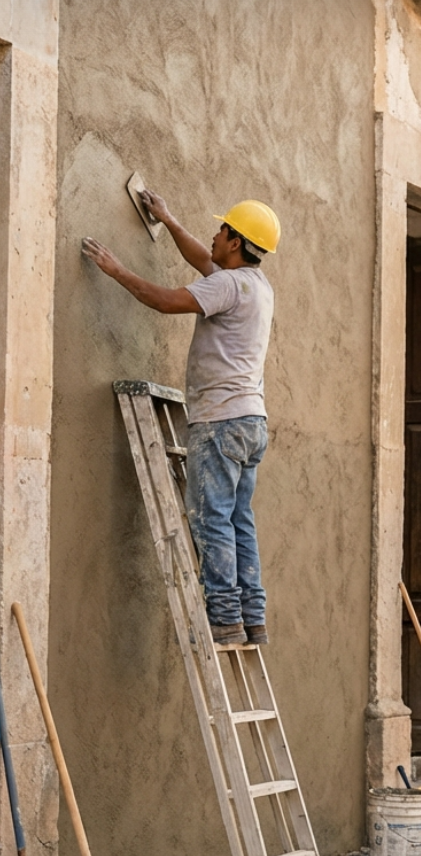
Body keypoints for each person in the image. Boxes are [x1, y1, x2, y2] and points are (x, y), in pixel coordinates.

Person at [82, 193, 281, 647]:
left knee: (211, 519)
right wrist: (169, 219)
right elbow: (201, 258)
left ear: (234, 241)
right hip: (251, 422)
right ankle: (252, 617)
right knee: (238, 519)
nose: (213, 234)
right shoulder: (254, 285)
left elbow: (165, 300)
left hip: (220, 422)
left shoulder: (227, 286)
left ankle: (225, 619)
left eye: (221, 230)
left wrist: (116, 270)